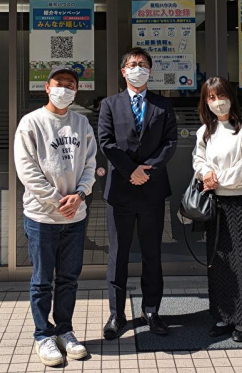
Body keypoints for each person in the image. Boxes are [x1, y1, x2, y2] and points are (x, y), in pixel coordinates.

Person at [14, 65, 97, 366]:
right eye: (58, 83)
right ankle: (43, 335)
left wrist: (81, 195)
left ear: (77, 90)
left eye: (70, 84)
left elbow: (90, 164)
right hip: (42, 217)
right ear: (47, 87)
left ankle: (64, 330)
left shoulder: (81, 123)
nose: (64, 89)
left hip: (75, 216)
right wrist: (57, 200)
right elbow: (27, 170)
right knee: (42, 280)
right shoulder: (31, 122)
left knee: (69, 279)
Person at [98, 47, 178, 339]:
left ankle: (152, 311)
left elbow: (170, 142)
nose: (138, 68)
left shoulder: (163, 105)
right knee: (118, 255)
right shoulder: (110, 104)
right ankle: (116, 315)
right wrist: (130, 170)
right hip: (120, 191)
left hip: (152, 191)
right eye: (132, 64)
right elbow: (106, 142)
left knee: (151, 254)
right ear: (123, 71)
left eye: (143, 64)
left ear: (150, 70)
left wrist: (147, 171)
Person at [192, 76, 242, 342]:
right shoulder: (205, 131)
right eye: (211, 97)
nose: (217, 102)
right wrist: (206, 174)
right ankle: (224, 315)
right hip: (217, 205)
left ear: (231, 96)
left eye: (221, 95)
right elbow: (198, 160)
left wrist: (218, 180)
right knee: (221, 264)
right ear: (205, 102)